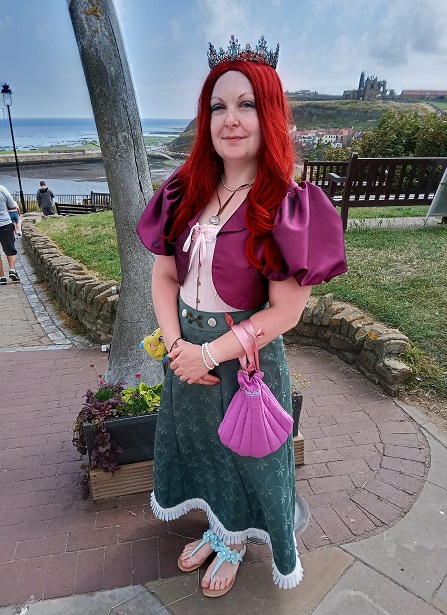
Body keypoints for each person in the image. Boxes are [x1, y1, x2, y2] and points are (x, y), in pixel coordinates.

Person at [137, 36, 347, 597]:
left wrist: (208, 354)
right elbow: (164, 276)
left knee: (247, 458)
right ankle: (217, 527)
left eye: (246, 104)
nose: (230, 119)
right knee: (203, 448)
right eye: (218, 106)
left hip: (243, 361)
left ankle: (234, 542)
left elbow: (285, 312)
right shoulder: (184, 191)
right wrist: (177, 347)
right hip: (186, 354)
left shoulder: (286, 205)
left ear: (269, 114)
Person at [0, 184, 20, 285]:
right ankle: (12, 269)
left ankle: (1, 277)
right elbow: (12, 205)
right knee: (10, 248)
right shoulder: (2, 189)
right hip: (5, 223)